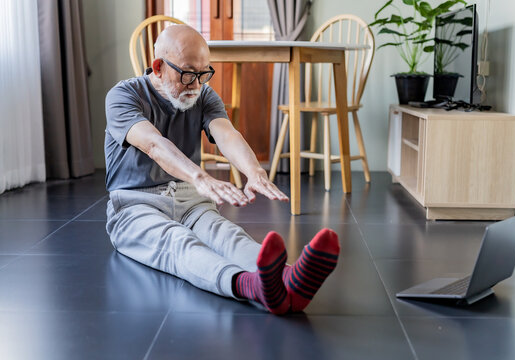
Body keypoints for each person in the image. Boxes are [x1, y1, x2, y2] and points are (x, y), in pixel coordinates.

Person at [104, 24, 340, 314]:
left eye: (205, 73)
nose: (196, 84)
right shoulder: (123, 96)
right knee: (180, 244)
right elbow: (153, 144)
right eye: (188, 74)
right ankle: (251, 286)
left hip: (188, 199)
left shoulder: (202, 94)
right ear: (158, 67)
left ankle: (290, 281)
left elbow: (227, 134)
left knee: (225, 233)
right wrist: (199, 176)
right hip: (134, 205)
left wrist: (254, 171)